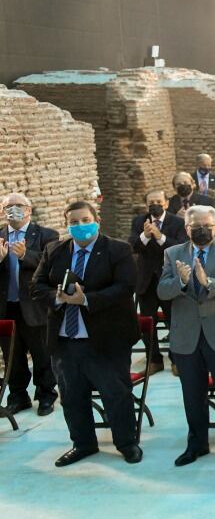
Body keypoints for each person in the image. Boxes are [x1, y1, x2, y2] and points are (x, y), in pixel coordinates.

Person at [31, 201, 141, 466]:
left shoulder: (118, 249)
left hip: (106, 339)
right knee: (71, 396)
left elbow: (126, 287)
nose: (80, 226)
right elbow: (36, 286)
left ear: (96, 220)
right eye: (73, 222)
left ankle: (127, 443)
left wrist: (87, 299)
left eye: (84, 220)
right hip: (65, 340)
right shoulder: (54, 250)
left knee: (115, 394)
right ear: (66, 224)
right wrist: (57, 298)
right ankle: (83, 444)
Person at [157, 205, 215, 467]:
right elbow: (162, 290)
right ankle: (197, 444)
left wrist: (208, 282)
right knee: (192, 394)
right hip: (187, 336)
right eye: (196, 226)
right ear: (186, 228)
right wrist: (181, 282)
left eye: (207, 226)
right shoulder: (173, 253)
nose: (201, 230)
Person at [0, 193, 60, 415]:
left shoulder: (46, 235)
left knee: (41, 353)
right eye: (8, 206)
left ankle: (46, 395)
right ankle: (18, 396)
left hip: (35, 306)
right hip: (6, 306)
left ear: (29, 210)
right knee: (12, 356)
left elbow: (53, 266)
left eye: (18, 205)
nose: (13, 209)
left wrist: (26, 255)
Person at [129, 189, 188, 374]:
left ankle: (177, 359)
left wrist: (159, 236)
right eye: (151, 203)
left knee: (174, 321)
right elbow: (132, 246)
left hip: (169, 278)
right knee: (148, 322)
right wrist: (145, 236)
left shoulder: (177, 222)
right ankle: (154, 359)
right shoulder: (139, 221)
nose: (155, 205)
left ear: (166, 203)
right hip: (146, 280)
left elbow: (180, 247)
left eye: (158, 202)